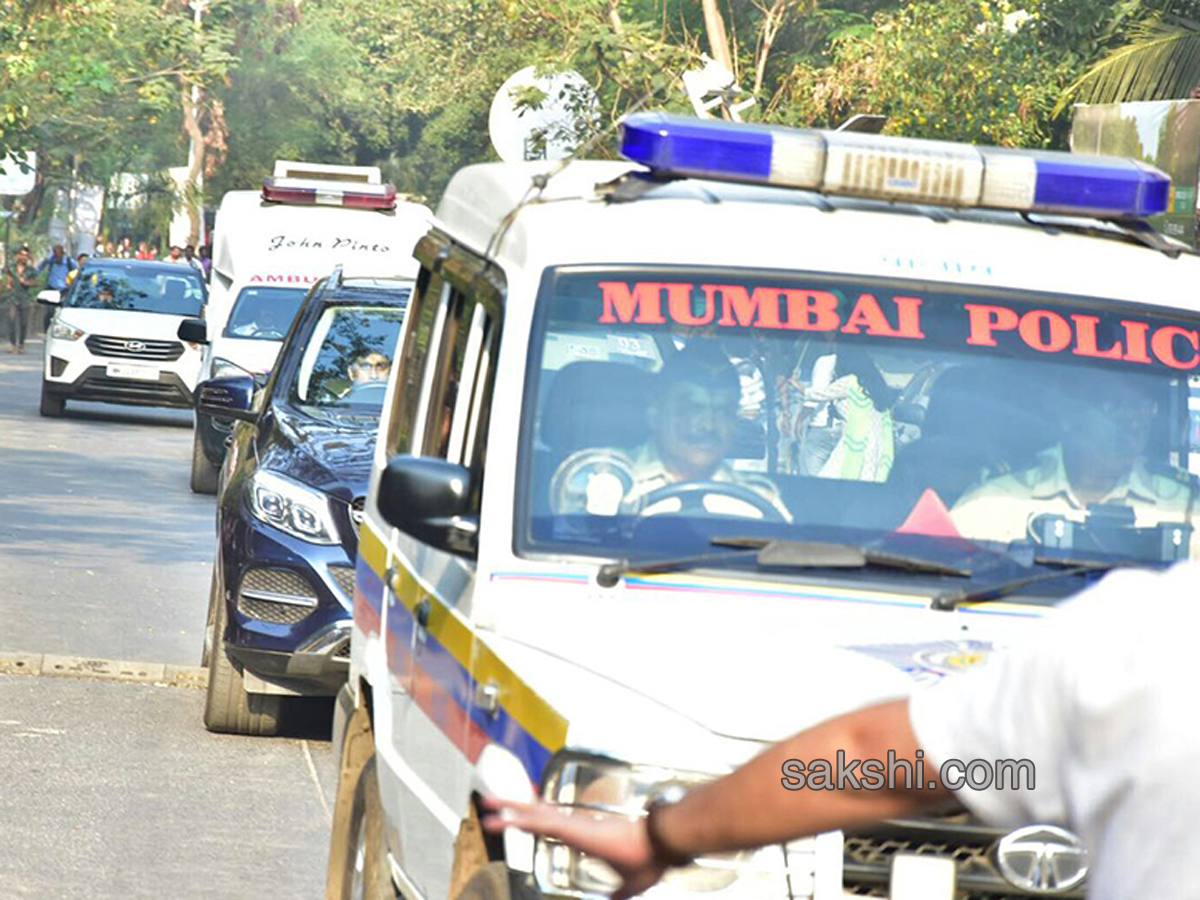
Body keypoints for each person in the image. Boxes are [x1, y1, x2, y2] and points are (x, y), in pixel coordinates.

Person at [482, 559, 1200, 900]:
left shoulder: (1146, 637)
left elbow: (869, 759)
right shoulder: (1138, 638)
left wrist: (658, 836)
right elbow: (868, 759)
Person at [950, 370, 1196, 547]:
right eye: (1114, 406)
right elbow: (939, 580)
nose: (1134, 421)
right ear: (1068, 416)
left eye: (1144, 407)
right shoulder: (995, 498)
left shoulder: (1185, 505)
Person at [622, 343, 788, 517]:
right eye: (693, 408)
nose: (709, 425)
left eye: (724, 410)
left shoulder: (759, 502)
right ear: (656, 410)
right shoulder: (607, 482)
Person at [5, 246, 37, 353]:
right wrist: (8, 285)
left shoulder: (30, 270)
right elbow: (8, 280)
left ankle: (21, 344)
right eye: (22, 255)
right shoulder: (12, 268)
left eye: (26, 255)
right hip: (13, 297)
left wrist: (26, 282)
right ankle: (13, 344)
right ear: (18, 255)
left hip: (25, 298)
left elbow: (36, 282)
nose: (23, 257)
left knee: (23, 322)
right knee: (12, 320)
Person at [36, 244, 76, 330]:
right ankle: (46, 330)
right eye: (55, 252)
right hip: (52, 288)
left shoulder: (69, 261)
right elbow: (40, 267)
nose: (56, 255)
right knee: (49, 311)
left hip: (64, 290)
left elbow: (77, 271)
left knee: (62, 311)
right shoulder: (51, 260)